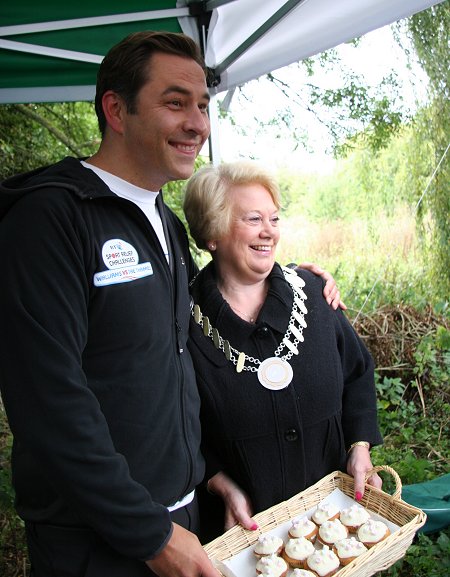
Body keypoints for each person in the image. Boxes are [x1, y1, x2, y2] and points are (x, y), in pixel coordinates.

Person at [0, 32, 341, 577]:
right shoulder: (51, 220)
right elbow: (48, 402)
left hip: (183, 517)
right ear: (116, 108)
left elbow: (174, 356)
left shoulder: (167, 225)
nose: (198, 124)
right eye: (175, 102)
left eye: (203, 105)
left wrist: (293, 278)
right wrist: (151, 534)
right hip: (96, 539)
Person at [183, 161, 383, 543]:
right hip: (248, 534)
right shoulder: (184, 322)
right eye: (253, 218)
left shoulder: (314, 294)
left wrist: (360, 445)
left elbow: (357, 373)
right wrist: (217, 480)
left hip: (337, 522)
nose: (269, 231)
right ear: (213, 233)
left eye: (274, 218)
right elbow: (179, 424)